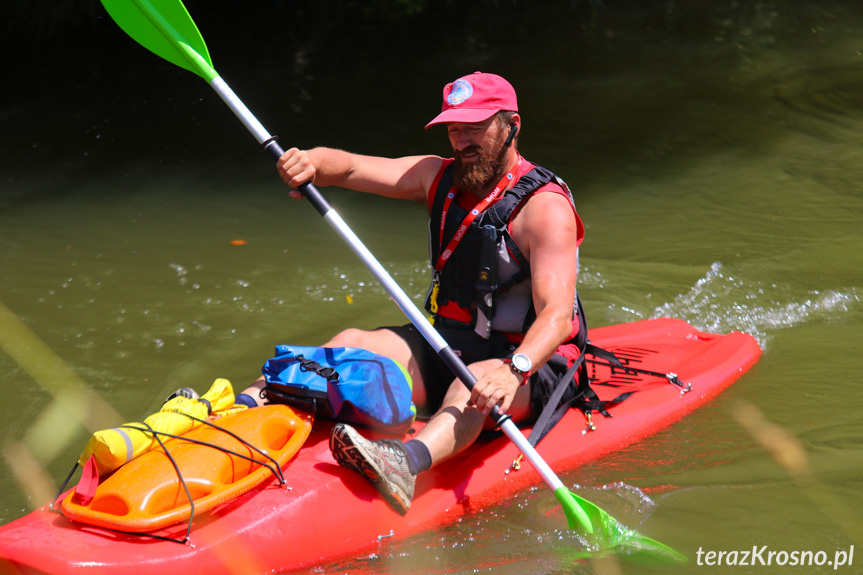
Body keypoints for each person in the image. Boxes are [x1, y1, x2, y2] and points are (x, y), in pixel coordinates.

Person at [237, 72, 586, 515]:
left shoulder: (545, 209)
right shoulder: (434, 176)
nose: (462, 141)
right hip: (451, 343)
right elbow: (348, 167)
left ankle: (403, 462)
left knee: (472, 381)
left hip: (529, 365)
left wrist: (513, 370)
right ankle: (239, 407)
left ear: (511, 125)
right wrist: (310, 161)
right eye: (454, 129)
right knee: (350, 341)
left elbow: (556, 317)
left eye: (475, 128)